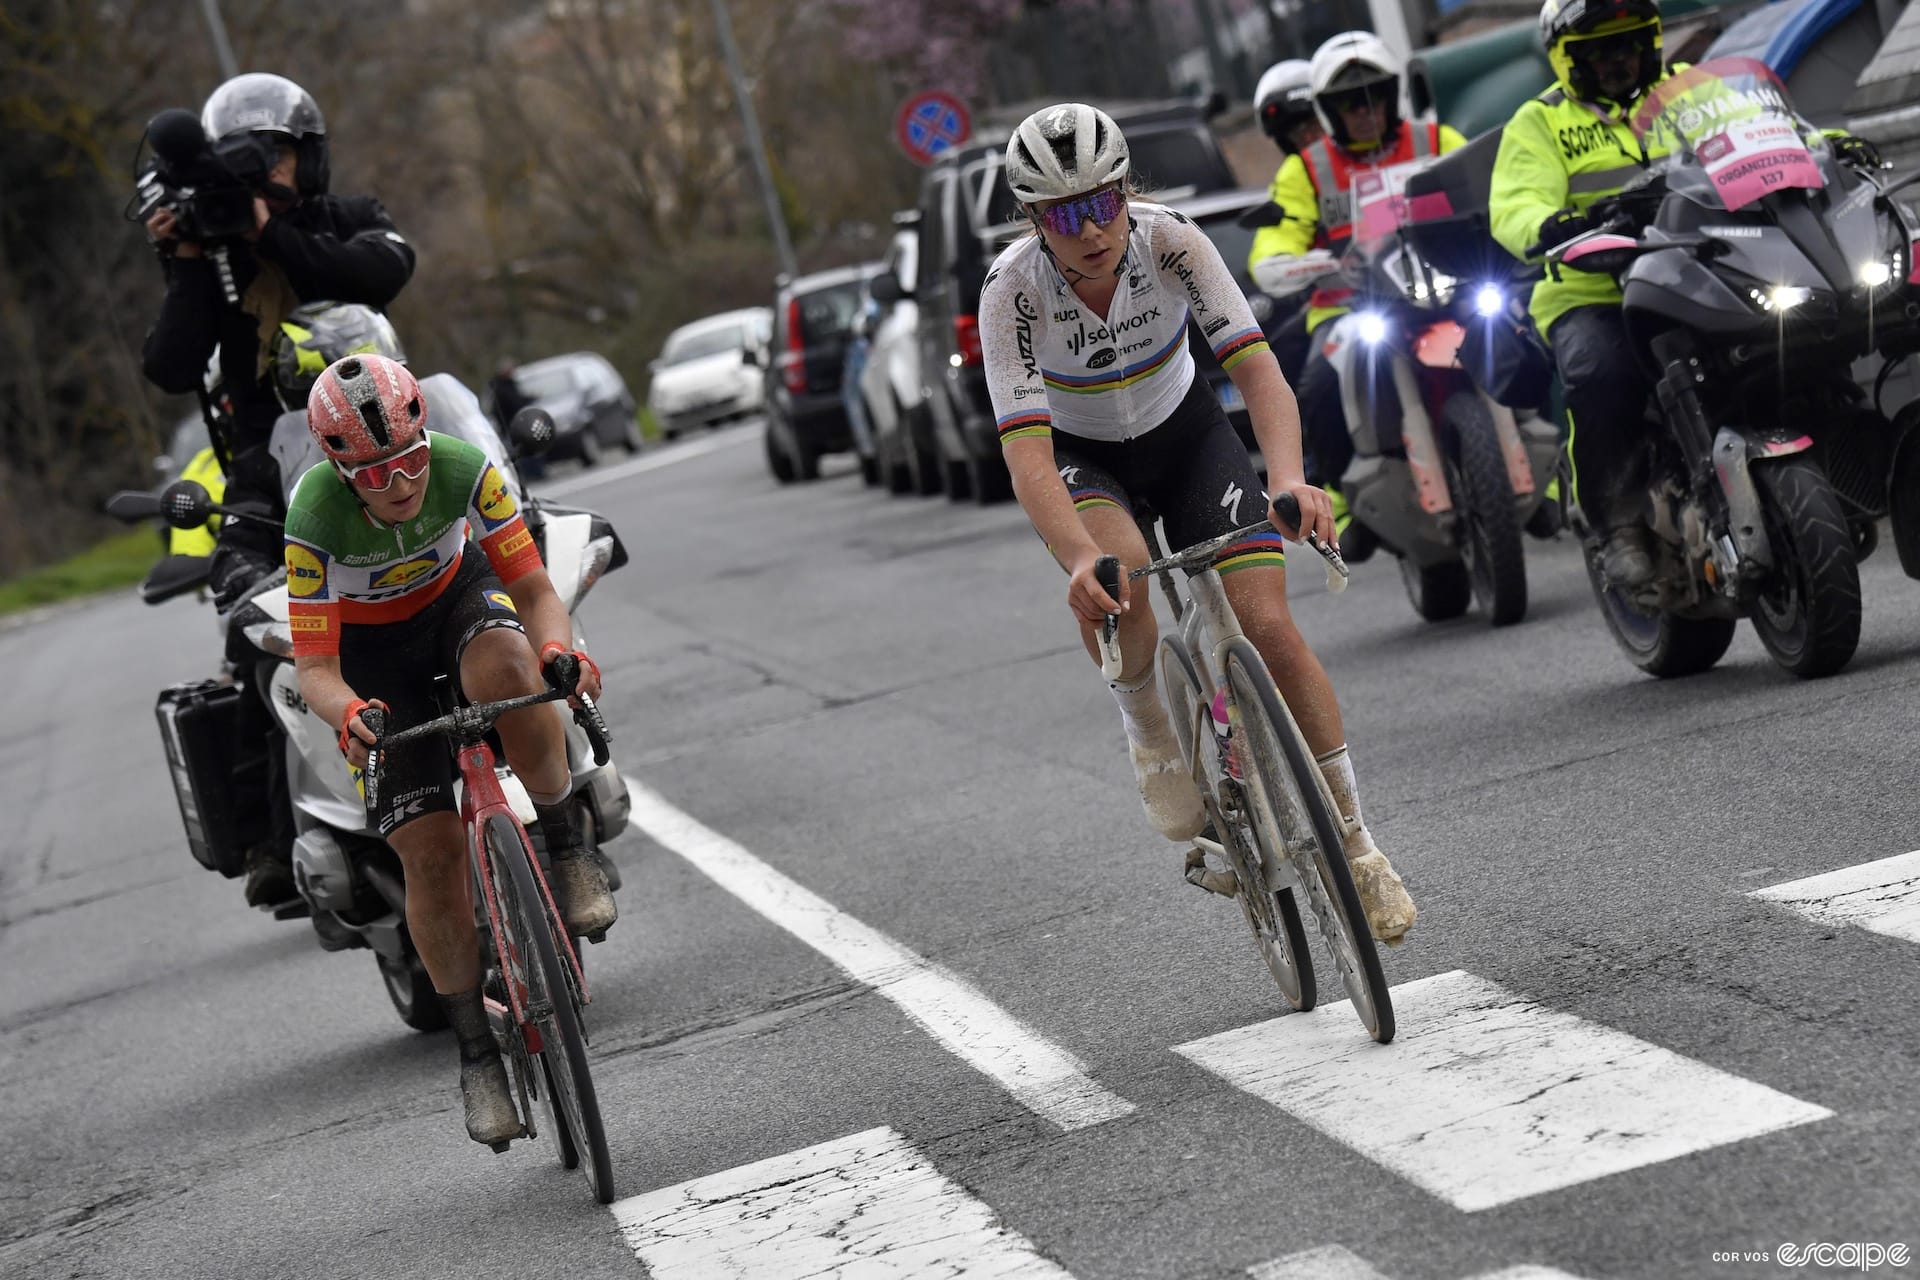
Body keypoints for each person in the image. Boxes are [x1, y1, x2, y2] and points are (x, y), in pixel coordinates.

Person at [981, 103, 1417, 946]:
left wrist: (1288, 478)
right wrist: (1078, 560)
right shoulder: (1013, 293)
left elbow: (1259, 378)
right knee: (1123, 570)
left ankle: (1359, 848)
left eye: (1104, 202)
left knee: (1268, 625)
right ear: (1036, 221)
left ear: (1126, 194)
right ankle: (1149, 724)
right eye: (1066, 215)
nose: (1091, 229)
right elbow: (1029, 457)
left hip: (1186, 435)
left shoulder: (1172, 241)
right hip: (1084, 459)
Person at [286, 354, 618, 1146]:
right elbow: (316, 669)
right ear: (338, 464)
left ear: (427, 438)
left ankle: (565, 840)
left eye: (409, 460)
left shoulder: (465, 469)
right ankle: (477, 1054)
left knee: (510, 668)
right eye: (373, 473)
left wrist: (556, 655)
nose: (398, 483)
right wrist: (350, 713)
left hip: (457, 603)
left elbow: (536, 592)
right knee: (428, 856)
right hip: (371, 661)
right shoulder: (314, 516)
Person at [141, 72, 415, 906]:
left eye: (276, 156)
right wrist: (191, 264)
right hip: (273, 470)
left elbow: (379, 276)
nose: (264, 174)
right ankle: (275, 832)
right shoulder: (213, 258)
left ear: (310, 156)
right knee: (248, 620)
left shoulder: (351, 220)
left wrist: (269, 229)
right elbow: (169, 368)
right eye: (246, 162)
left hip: (391, 440)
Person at [1248, 33, 1466, 556]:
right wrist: (1282, 260)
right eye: (1349, 102)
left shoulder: (1437, 140)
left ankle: (1554, 483)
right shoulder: (1305, 168)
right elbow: (1277, 236)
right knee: (1320, 385)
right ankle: (1340, 504)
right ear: (1329, 110)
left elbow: (1486, 188)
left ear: (1392, 94)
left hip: (1442, 291)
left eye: (1373, 95)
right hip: (1348, 306)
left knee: (1517, 331)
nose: (1364, 110)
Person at [1249, 58, 1324, 391]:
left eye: (1315, 125)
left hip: (1425, 283)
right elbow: (1276, 236)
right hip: (1347, 298)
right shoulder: (1297, 173)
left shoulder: (1400, 145)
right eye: (1297, 132)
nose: (1308, 138)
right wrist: (1279, 263)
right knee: (1304, 370)